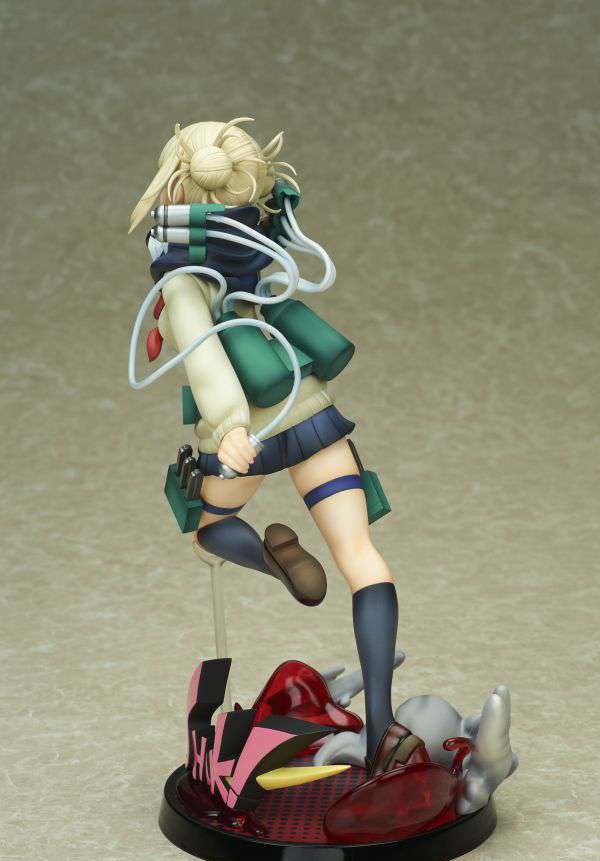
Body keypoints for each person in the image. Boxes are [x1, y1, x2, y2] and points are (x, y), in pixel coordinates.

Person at [129, 119, 427, 776]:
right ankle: (383, 726)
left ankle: (269, 559)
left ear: (173, 183)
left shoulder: (181, 274)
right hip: (311, 407)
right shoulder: (256, 242)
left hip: (248, 432)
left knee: (210, 527)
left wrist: (230, 423)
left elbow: (203, 352)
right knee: (361, 556)